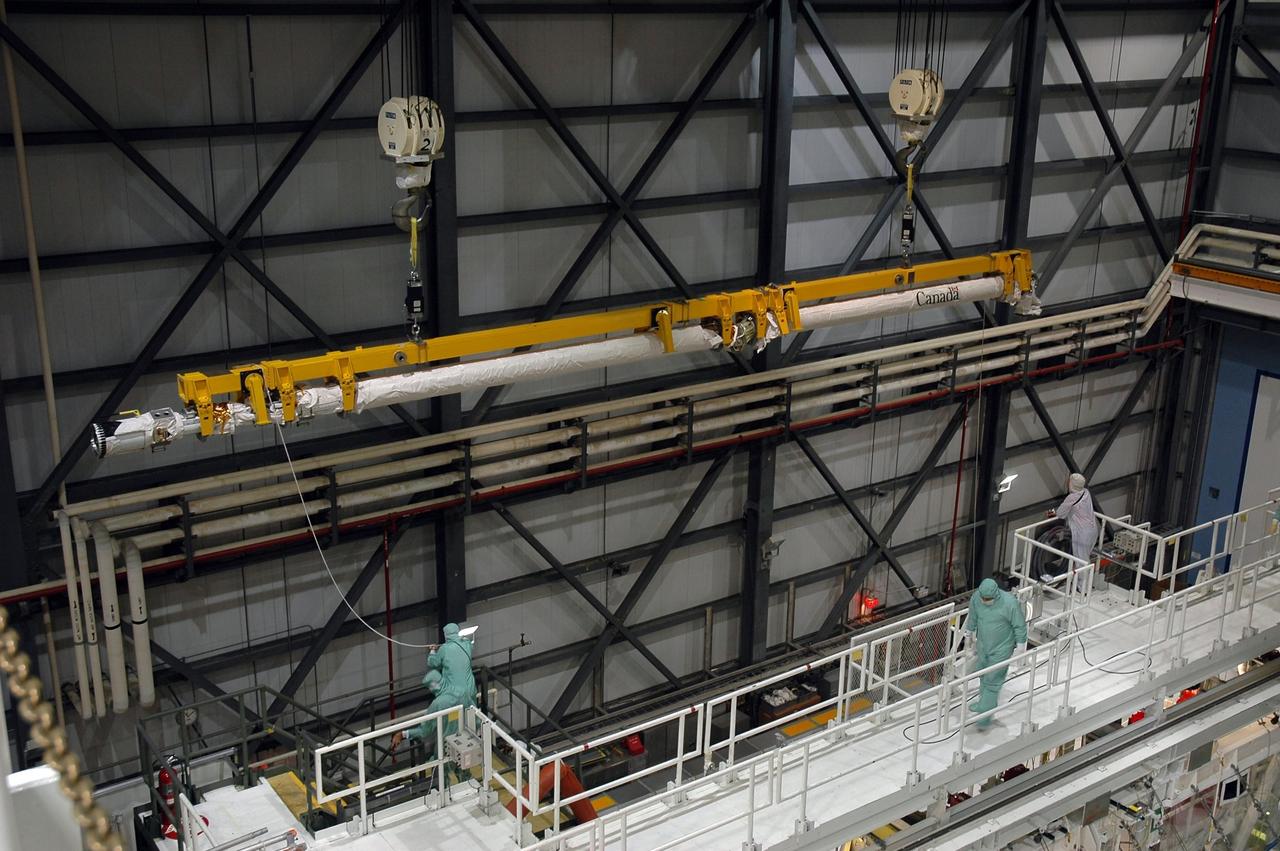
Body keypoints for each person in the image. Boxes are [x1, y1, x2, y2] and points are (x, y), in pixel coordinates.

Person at [391, 623, 477, 753]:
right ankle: (465, 771)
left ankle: (445, 770)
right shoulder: (466, 645)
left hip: (449, 743)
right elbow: (475, 716)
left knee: (443, 751)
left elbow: (433, 663)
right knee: (467, 730)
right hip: (469, 691)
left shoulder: (438, 703)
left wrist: (432, 651)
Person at [964, 577, 1027, 728]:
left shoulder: (1009, 603)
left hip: (1002, 647)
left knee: (992, 680)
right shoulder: (976, 599)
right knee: (983, 674)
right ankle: (984, 703)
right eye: (983, 598)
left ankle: (984, 717)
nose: (985, 600)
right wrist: (968, 637)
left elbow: (1019, 626)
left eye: (988, 598)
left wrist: (1021, 646)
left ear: (996, 594)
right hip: (983, 645)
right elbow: (972, 617)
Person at [1050, 472, 1098, 567]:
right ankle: (1083, 580)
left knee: (1081, 561)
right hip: (1093, 530)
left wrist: (1054, 512)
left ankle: (1082, 581)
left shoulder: (1072, 498)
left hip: (1082, 534)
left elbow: (1060, 514)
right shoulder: (1086, 492)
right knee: (1085, 558)